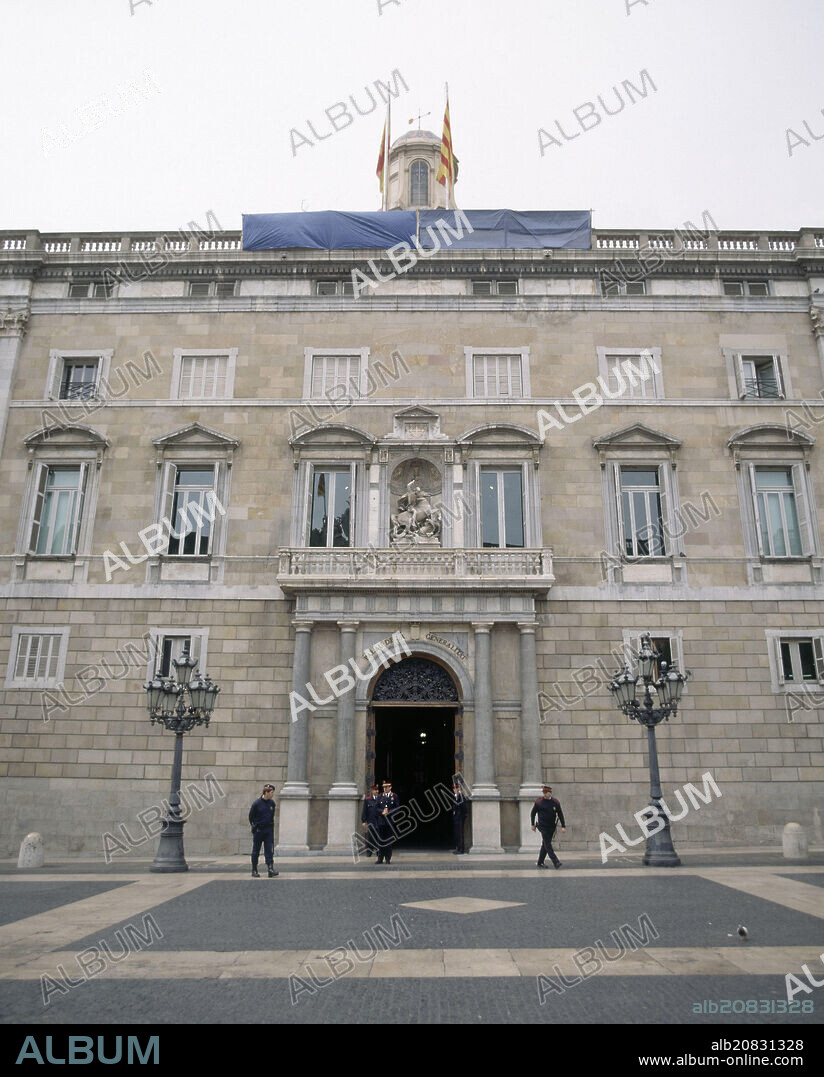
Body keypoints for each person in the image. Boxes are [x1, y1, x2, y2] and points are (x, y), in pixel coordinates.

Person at [530, 784, 566, 869]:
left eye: (547, 792)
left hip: (551, 826)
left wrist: (563, 826)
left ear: (550, 793)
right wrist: (532, 824)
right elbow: (533, 813)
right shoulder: (539, 802)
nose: (545, 794)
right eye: (544, 792)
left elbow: (560, 814)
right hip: (543, 826)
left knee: (545, 845)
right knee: (548, 845)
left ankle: (540, 862)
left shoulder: (555, 802)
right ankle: (556, 862)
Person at [248, 783, 279, 878]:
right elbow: (251, 817)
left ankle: (270, 869)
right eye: (272, 792)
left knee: (269, 850)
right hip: (259, 830)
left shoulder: (272, 803)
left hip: (268, 830)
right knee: (256, 851)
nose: (273, 794)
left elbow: (271, 816)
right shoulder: (256, 803)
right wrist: (254, 826)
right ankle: (254, 869)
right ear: (266, 792)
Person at [376, 780, 399, 865]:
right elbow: (376, 808)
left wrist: (389, 812)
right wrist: (382, 811)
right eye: (384, 787)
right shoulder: (380, 796)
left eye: (387, 787)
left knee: (388, 841)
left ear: (390, 787)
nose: (385, 789)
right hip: (381, 822)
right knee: (380, 841)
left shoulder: (394, 796)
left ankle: (388, 858)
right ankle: (380, 858)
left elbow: (397, 808)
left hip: (389, 822)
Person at [361, 783, 381, 857]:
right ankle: (369, 851)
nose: (377, 791)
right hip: (371, 821)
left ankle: (378, 852)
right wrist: (363, 821)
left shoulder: (381, 798)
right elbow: (365, 811)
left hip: (379, 821)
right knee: (370, 837)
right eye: (375, 790)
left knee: (378, 837)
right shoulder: (367, 799)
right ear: (372, 791)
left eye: (377, 790)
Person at [451, 779, 468, 854]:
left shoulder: (460, 796)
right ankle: (458, 848)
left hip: (460, 817)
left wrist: (462, 815)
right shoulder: (457, 796)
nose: (454, 790)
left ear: (458, 789)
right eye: (453, 788)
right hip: (457, 817)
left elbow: (464, 807)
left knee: (460, 833)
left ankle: (461, 849)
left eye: (455, 788)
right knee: (457, 833)